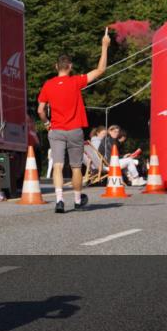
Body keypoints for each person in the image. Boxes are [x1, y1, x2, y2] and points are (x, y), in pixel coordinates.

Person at [37, 28, 111, 213]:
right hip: (75, 130)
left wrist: (47, 124)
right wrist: (104, 45)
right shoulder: (76, 81)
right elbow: (101, 69)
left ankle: (59, 201)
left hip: (56, 131)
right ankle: (78, 201)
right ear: (69, 66)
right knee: (76, 166)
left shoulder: (48, 85)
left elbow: (40, 110)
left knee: (58, 166)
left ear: (56, 67)